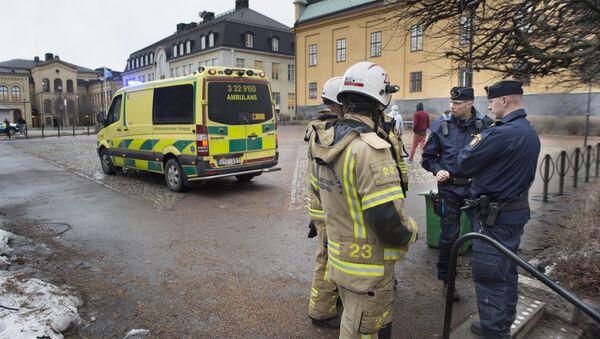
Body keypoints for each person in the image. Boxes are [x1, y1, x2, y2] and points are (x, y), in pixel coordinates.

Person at [309, 62, 417, 339]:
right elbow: (387, 221)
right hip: (368, 267)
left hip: (342, 259)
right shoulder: (370, 149)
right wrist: (411, 233)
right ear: (380, 103)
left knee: (351, 319)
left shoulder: (328, 142)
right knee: (362, 329)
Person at [457, 80, 540, 339]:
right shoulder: (528, 130)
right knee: (506, 269)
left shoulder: (502, 132)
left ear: (504, 101)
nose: (489, 107)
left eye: (492, 101)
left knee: (489, 275)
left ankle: (495, 331)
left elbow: (464, 161)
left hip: (494, 218)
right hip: (513, 213)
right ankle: (503, 320)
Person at [421, 87, 492, 302]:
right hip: (449, 190)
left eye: (457, 103)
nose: (451, 107)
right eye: (451, 102)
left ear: (469, 104)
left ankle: (484, 283)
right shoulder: (441, 126)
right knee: (449, 237)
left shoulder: (486, 126)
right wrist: (437, 169)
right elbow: (428, 158)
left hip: (475, 190)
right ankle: (448, 281)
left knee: (481, 236)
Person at [304, 76, 344, 329]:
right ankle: (321, 312)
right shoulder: (328, 130)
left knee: (328, 257)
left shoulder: (321, 126)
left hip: (321, 207)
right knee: (327, 260)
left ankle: (329, 302)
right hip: (326, 209)